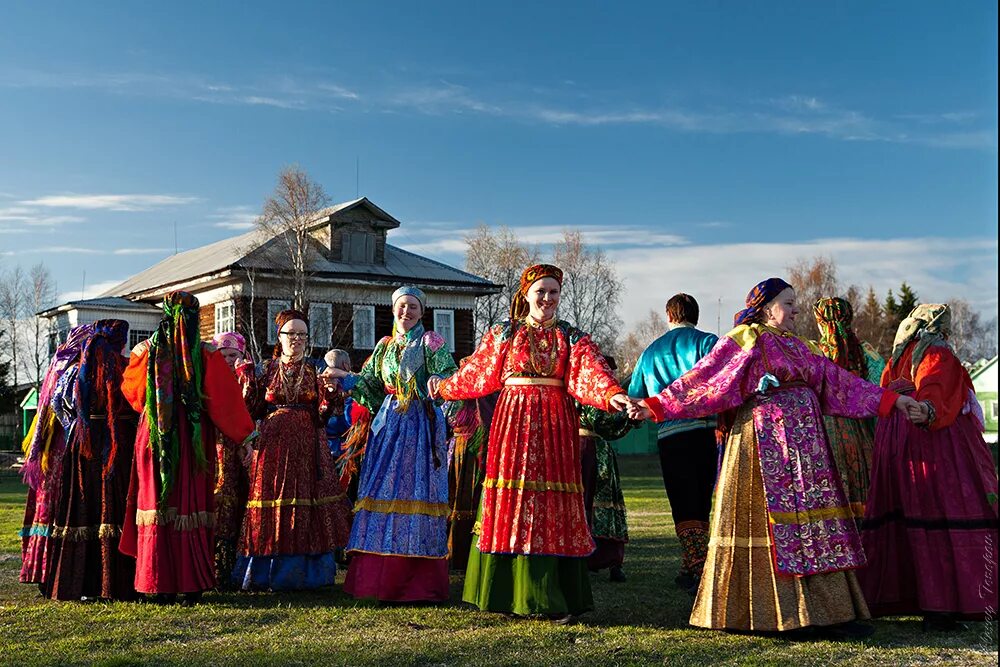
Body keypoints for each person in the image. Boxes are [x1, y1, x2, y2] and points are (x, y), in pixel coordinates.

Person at [627, 278, 919, 638]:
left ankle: (828, 612)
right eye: (789, 303)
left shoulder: (802, 347)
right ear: (766, 308)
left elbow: (839, 382)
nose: (797, 309)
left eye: (796, 303)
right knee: (776, 524)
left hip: (807, 447)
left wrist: (892, 401)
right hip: (763, 441)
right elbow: (705, 380)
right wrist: (656, 405)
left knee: (812, 525)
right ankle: (779, 616)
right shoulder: (746, 339)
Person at [433, 264, 630, 622]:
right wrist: (444, 387)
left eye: (554, 292)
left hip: (556, 425)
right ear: (525, 294)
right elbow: (478, 372)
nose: (548, 298)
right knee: (514, 499)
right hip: (513, 425)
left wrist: (612, 394)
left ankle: (550, 594)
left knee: (550, 503)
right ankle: (506, 594)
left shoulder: (571, 337)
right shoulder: (504, 334)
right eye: (541, 291)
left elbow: (591, 373)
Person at [859, 304, 999, 631]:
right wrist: (928, 409)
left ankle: (923, 599)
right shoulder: (935, 351)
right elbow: (935, 384)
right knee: (947, 509)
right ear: (939, 327)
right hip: (934, 439)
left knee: (912, 514)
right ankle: (945, 605)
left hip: (895, 440)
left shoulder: (896, 357)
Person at [118, 291, 257, 605]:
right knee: (189, 503)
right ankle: (190, 584)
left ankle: (157, 583)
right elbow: (225, 403)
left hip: (155, 436)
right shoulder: (206, 354)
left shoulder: (145, 351)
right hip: (192, 437)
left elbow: (134, 397)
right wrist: (245, 436)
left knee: (156, 500)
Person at [328, 286, 459, 603]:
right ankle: (377, 578)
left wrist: (438, 387)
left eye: (413, 307)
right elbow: (371, 383)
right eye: (401, 306)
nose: (406, 312)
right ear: (393, 309)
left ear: (422, 312)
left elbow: (450, 376)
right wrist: (343, 380)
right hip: (387, 426)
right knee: (383, 488)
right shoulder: (384, 346)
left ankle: (413, 580)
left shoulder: (431, 342)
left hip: (419, 424)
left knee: (415, 489)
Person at [234, 309, 353, 591]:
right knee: (272, 499)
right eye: (291, 334)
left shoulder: (314, 370)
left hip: (307, 445)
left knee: (306, 500)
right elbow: (252, 409)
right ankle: (264, 574)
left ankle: (308, 575)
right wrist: (246, 380)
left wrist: (332, 393)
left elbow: (327, 414)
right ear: (280, 336)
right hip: (272, 446)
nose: (297, 339)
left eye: (302, 334)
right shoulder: (265, 369)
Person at [40, 319, 137, 601]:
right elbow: (137, 402)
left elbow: (59, 403)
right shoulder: (126, 367)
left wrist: (76, 427)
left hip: (82, 444)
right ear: (121, 341)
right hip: (117, 442)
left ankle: (77, 584)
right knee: (113, 505)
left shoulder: (76, 371)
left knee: (82, 506)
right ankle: (114, 583)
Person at [628, 293, 719, 592]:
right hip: (704, 431)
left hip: (669, 435)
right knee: (702, 499)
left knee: (681, 501)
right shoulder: (707, 342)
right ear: (696, 314)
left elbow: (636, 395)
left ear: (669, 316)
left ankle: (695, 566)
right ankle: (695, 564)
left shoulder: (651, 352)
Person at [19, 324, 94, 589]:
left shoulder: (58, 362)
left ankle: (41, 569)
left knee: (46, 504)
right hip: (62, 443)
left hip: (49, 446)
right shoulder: (73, 367)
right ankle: (54, 568)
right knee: (60, 504)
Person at [813, 297, 885, 522]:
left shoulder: (811, 351)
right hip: (859, 432)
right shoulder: (865, 351)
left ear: (820, 322)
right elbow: (879, 387)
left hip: (821, 433)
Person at [577, 357, 634, 582]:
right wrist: (630, 417)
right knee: (594, 500)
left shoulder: (581, 389)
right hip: (591, 450)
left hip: (584, 450)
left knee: (588, 501)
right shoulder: (591, 393)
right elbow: (603, 423)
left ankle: (594, 558)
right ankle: (602, 559)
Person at [210, 331, 255, 589]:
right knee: (218, 501)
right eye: (223, 355)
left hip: (243, 448)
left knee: (240, 500)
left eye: (232, 355)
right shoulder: (210, 380)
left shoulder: (247, 378)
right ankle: (216, 570)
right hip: (216, 449)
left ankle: (237, 568)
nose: (228, 360)